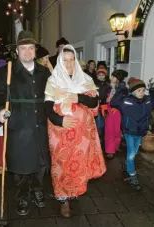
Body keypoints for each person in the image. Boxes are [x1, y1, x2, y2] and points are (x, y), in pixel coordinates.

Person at [0, 31, 51, 216]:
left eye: (30, 48)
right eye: (23, 48)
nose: (27, 51)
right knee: (21, 165)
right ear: (17, 51)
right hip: (19, 126)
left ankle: (38, 190)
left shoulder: (44, 72)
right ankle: (23, 196)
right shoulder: (6, 71)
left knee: (40, 163)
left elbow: (53, 96)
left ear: (35, 51)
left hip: (40, 125)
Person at [45, 44, 106, 217]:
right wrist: (60, 120)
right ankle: (63, 198)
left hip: (82, 134)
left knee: (77, 162)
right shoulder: (53, 80)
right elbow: (47, 108)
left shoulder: (85, 79)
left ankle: (74, 191)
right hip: (60, 132)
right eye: (65, 60)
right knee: (61, 163)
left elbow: (94, 103)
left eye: (72, 60)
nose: (69, 63)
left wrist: (77, 97)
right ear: (59, 61)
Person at [111, 77, 153, 190]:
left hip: (140, 132)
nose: (142, 93)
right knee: (131, 155)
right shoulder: (126, 101)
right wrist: (121, 89)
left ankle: (127, 166)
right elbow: (113, 102)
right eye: (139, 90)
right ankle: (133, 176)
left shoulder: (147, 100)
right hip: (129, 131)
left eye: (143, 90)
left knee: (134, 153)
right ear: (133, 91)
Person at [104, 69, 128, 159]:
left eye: (113, 76)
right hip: (113, 111)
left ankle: (112, 149)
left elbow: (110, 100)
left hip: (114, 111)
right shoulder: (114, 87)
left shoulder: (120, 89)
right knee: (113, 130)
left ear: (117, 78)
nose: (111, 78)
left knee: (113, 131)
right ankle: (113, 148)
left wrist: (110, 98)